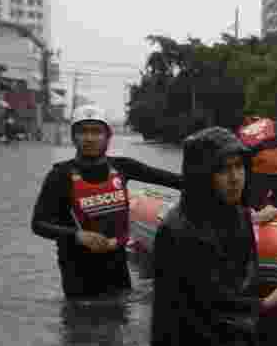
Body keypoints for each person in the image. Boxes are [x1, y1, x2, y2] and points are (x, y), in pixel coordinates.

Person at [149, 127, 277, 346]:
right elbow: (198, 305)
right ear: (203, 175)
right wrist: (264, 304)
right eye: (223, 170)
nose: (235, 178)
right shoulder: (177, 230)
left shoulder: (241, 216)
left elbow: (245, 279)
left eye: (239, 167)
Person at [31, 106, 184, 299]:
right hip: (78, 274)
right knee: (81, 325)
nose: (89, 138)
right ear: (73, 137)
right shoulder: (59, 176)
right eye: (82, 132)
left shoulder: (122, 167)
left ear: (107, 136)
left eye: (96, 131)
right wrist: (77, 235)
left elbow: (174, 180)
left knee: (120, 320)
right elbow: (38, 224)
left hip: (117, 268)